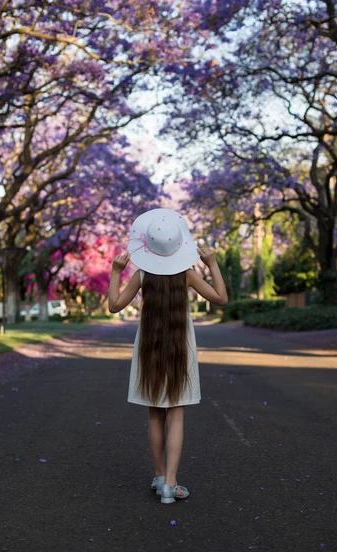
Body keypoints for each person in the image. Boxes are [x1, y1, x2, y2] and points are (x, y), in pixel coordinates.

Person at [108, 208, 228, 503]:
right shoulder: (187, 274)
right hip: (180, 345)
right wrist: (211, 264)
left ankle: (160, 475)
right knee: (176, 413)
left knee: (154, 412)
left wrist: (114, 272)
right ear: (178, 245)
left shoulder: (142, 274)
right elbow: (221, 298)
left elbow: (114, 305)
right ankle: (170, 486)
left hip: (148, 344)